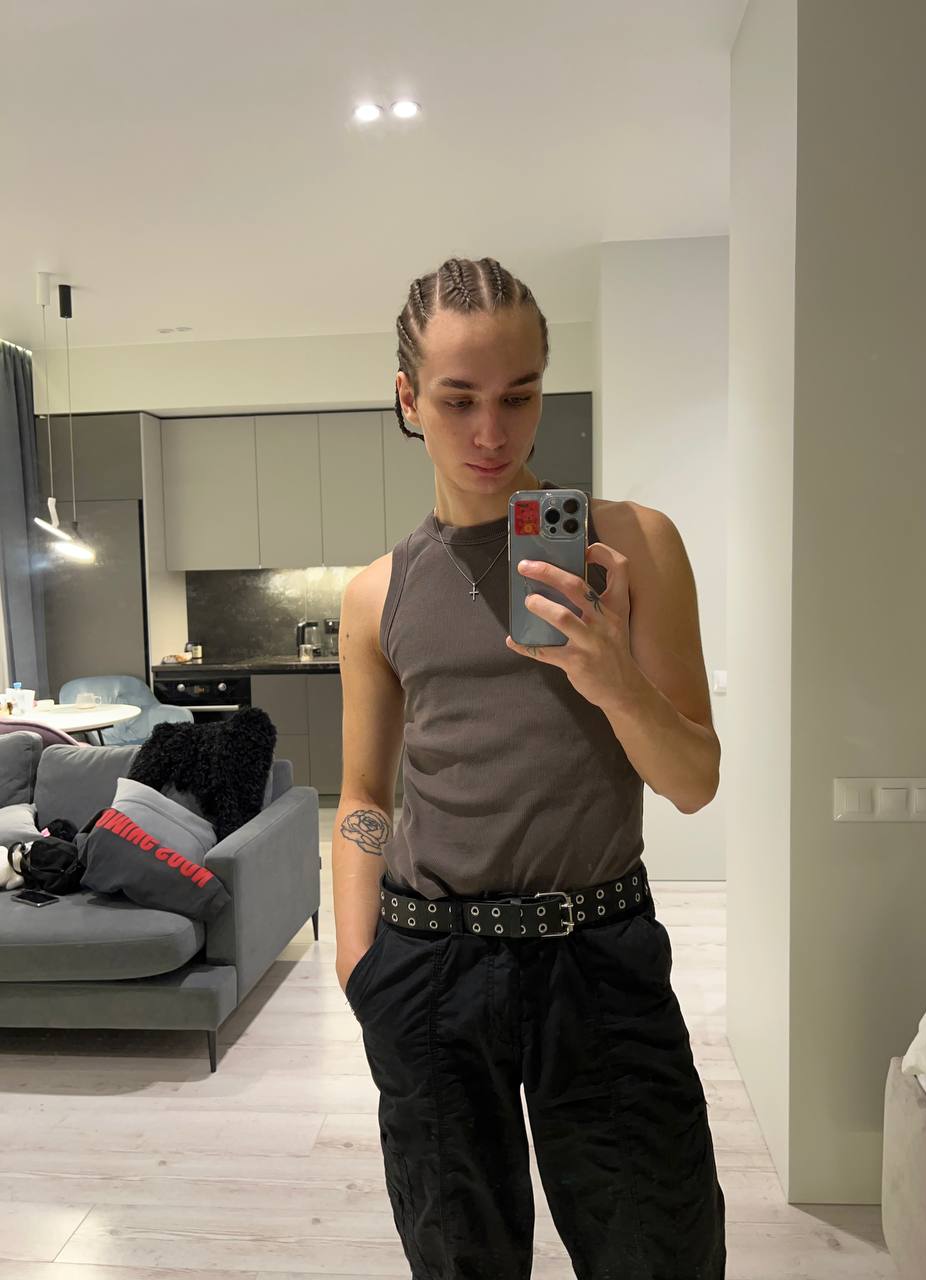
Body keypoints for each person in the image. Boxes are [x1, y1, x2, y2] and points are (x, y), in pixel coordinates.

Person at [332, 256, 726, 1279]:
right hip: (428, 965)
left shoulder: (632, 544)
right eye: (458, 399)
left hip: (597, 954)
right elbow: (364, 794)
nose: (491, 432)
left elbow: (694, 779)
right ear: (409, 399)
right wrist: (359, 965)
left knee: (661, 1250)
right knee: (460, 1260)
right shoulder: (377, 594)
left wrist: (613, 676)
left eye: (518, 395)